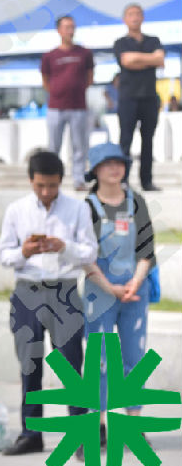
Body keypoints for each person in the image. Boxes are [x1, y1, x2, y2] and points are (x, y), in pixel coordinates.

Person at [0, 150, 97, 458]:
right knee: (29, 365)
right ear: (30, 180)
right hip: (27, 291)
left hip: (64, 292)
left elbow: (90, 252)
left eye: (52, 185)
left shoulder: (77, 209)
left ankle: (80, 435)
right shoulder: (16, 210)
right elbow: (4, 255)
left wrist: (64, 247)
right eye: (40, 185)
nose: (46, 192)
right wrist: (25, 252)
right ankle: (31, 434)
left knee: (71, 366)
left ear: (61, 181)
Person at [81, 143, 155, 447]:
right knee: (99, 358)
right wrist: (109, 287)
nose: (115, 168)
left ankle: (132, 424)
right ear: (95, 170)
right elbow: (84, 255)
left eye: (119, 162)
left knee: (134, 357)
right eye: (108, 163)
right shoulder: (86, 207)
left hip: (135, 290)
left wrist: (134, 282)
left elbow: (146, 249)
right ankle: (99, 423)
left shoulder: (136, 201)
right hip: (99, 291)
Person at [114, 3, 165, 192]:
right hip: (128, 98)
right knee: (125, 140)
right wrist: (150, 60)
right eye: (130, 14)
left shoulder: (154, 40)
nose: (134, 17)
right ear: (125, 19)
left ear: (143, 17)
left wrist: (137, 59)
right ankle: (122, 181)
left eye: (137, 14)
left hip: (150, 97)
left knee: (148, 140)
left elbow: (160, 60)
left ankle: (147, 181)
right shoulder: (120, 43)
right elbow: (126, 61)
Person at [41, 15, 94, 190]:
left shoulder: (84, 53)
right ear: (59, 30)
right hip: (55, 108)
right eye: (66, 27)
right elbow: (45, 80)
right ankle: (51, 180)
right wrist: (57, 92)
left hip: (78, 107)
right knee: (53, 147)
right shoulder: (49, 56)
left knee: (79, 146)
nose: (70, 31)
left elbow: (89, 77)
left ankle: (78, 180)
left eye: (72, 27)